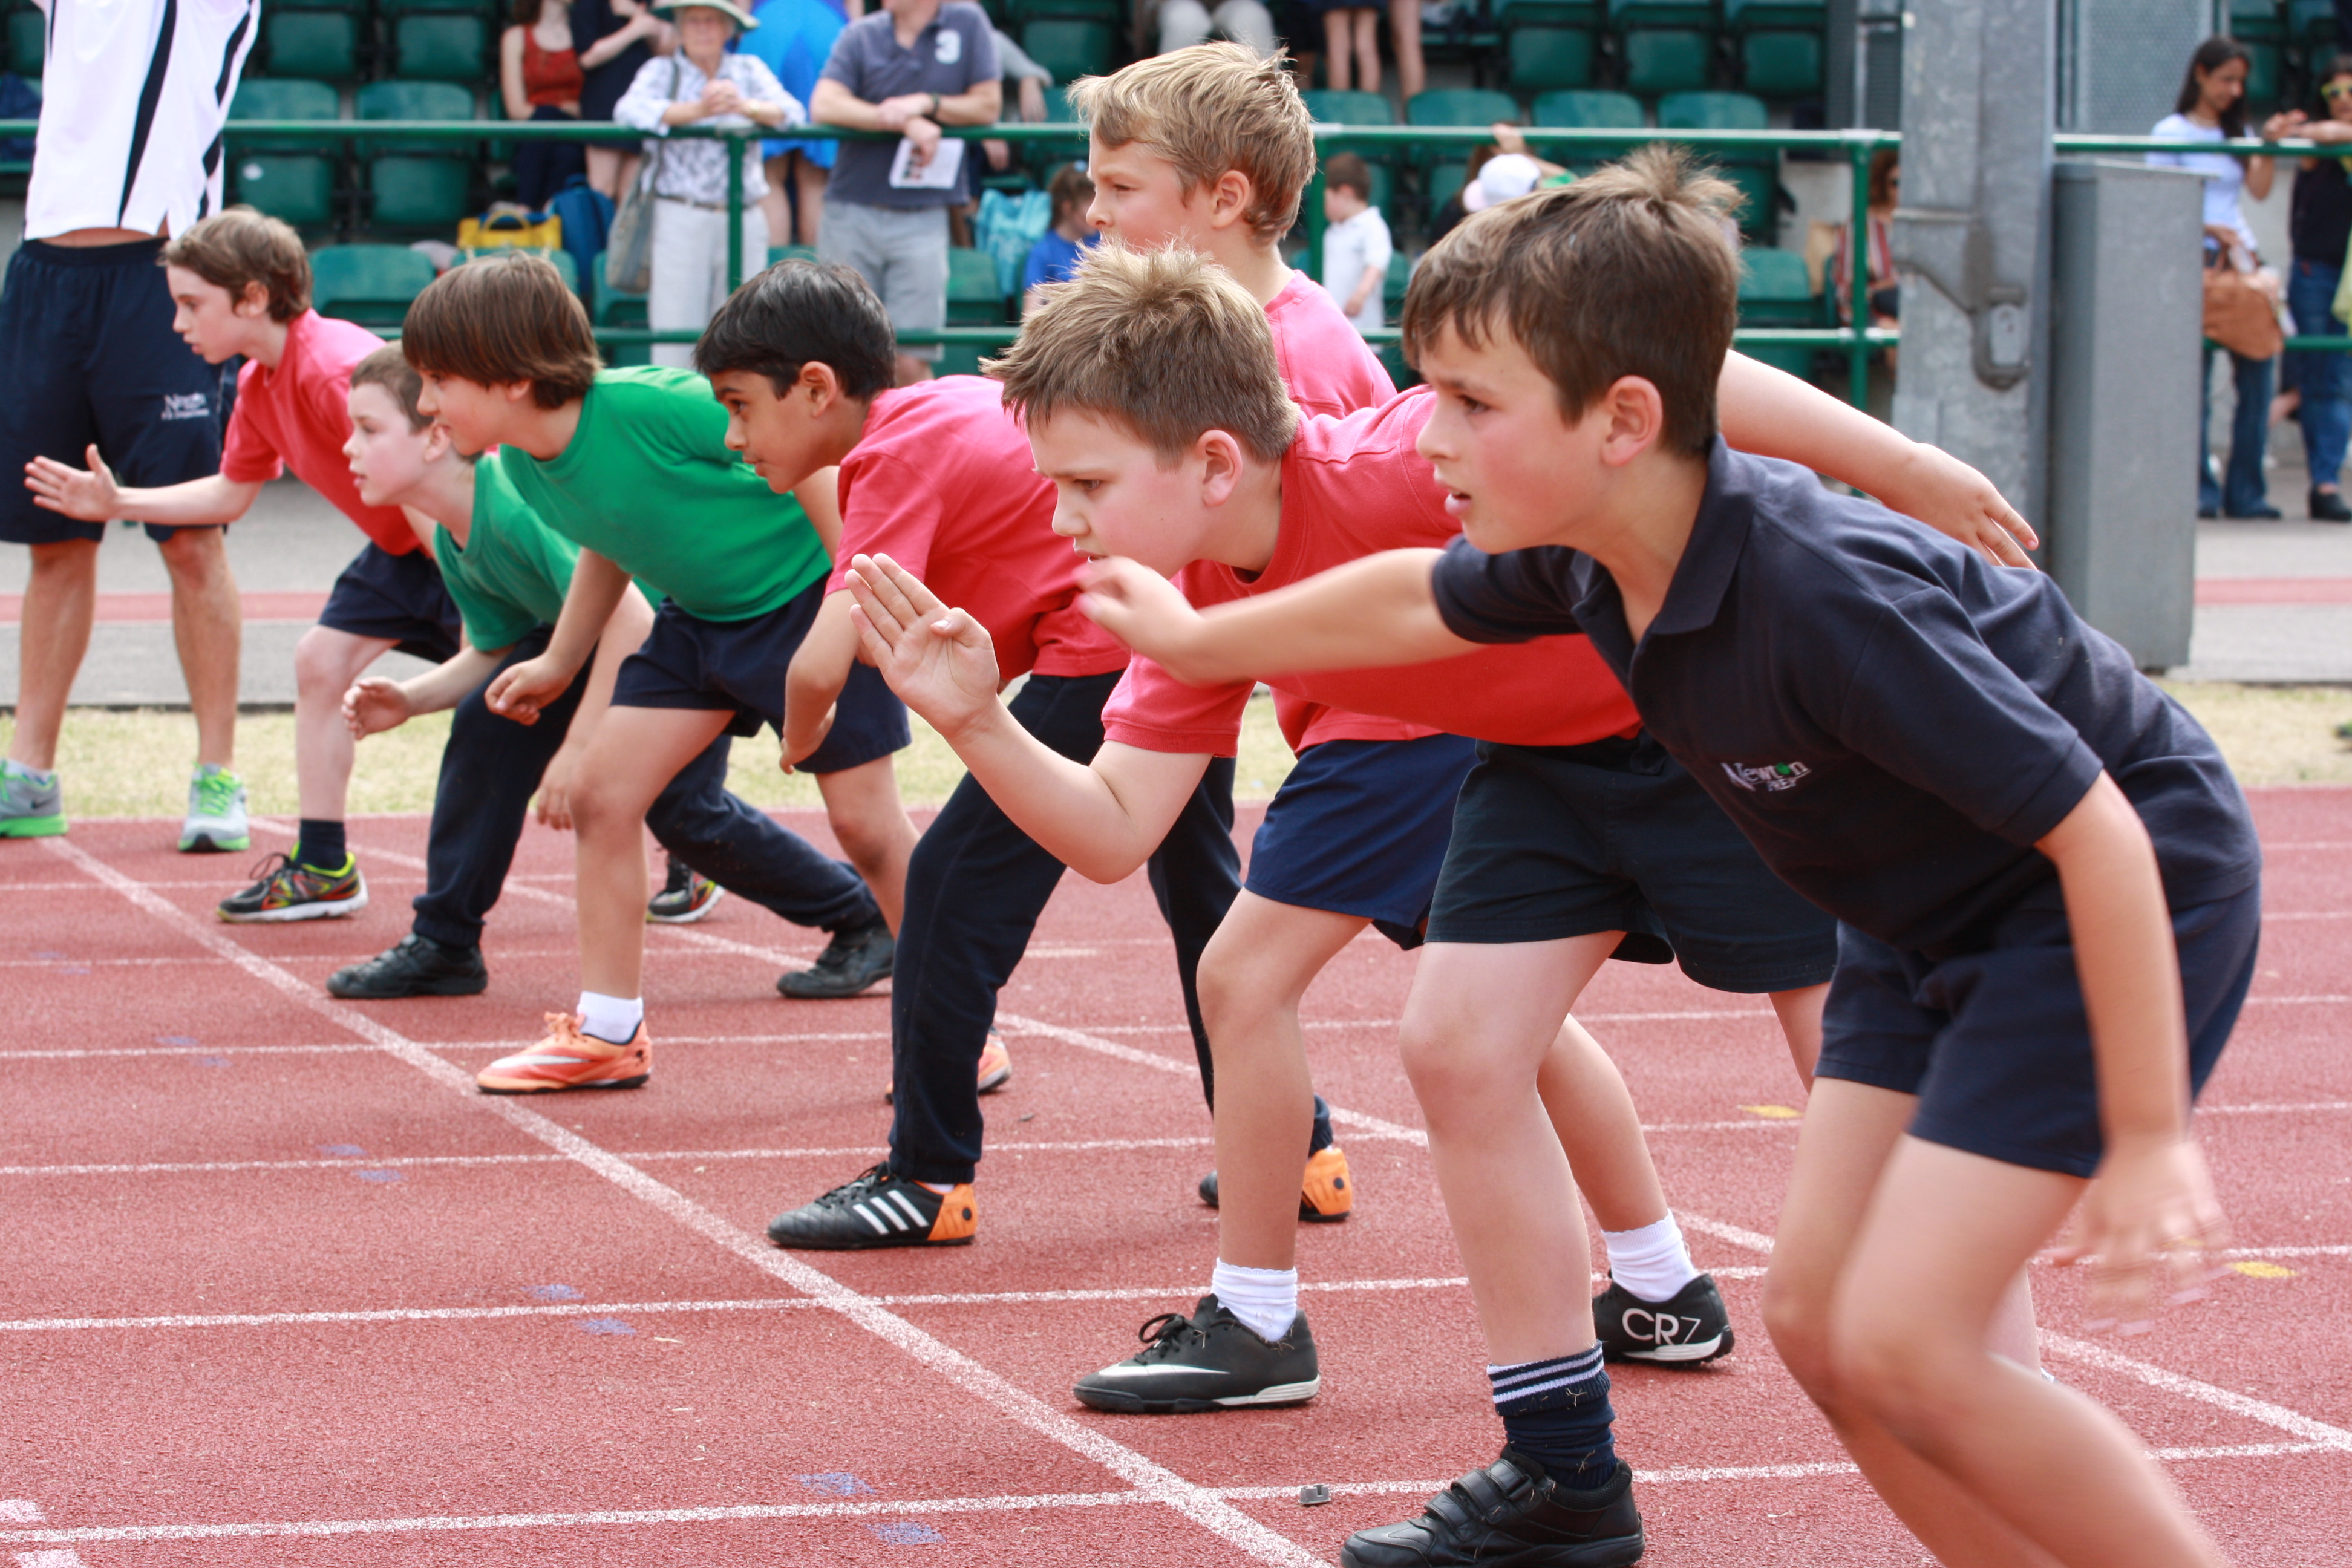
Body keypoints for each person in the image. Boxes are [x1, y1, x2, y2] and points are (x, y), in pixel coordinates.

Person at [1076, 152, 2261, 1568]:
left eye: (1470, 404)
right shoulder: (1573, 551)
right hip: (1910, 919)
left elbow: (2100, 830)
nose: (1427, 437)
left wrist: (2144, 1136)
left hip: (2079, 898)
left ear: (1622, 423)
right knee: (1821, 1327)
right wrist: (1203, 640)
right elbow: (1408, 599)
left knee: (1910, 1338)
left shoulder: (1821, 593)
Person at [667, 260, 1239, 1249]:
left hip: (1102, 650)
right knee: (1207, 904)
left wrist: (801, 743)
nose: (731, 436)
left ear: (815, 387)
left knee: (945, 886)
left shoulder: (883, 453)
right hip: (1164, 622)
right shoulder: (950, 399)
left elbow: (822, 653)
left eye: (739, 407)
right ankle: (1297, 1147)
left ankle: (926, 1174)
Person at [399, 255, 910, 1089]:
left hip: (801, 602)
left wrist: (845, 601)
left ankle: (959, 1019)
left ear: (512, 379)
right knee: (605, 794)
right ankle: (608, 1032)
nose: (425, 403)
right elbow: (610, 531)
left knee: (865, 827)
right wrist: (561, 661)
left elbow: (815, 457)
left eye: (438, 380)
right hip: (697, 621)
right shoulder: (525, 463)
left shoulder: (643, 405)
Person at [328, 345, 877, 998]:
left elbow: (629, 616)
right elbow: (494, 647)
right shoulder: (454, 535)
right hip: (597, 645)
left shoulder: (517, 497)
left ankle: (864, 914)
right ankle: (446, 941)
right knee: (490, 720)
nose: (348, 449)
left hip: (683, 621)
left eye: (368, 429)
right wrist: (413, 699)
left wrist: (579, 744)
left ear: (437, 438)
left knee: (686, 811)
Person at [25, 209, 463, 922]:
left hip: (457, 546)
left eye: (192, 304)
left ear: (254, 297)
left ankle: (684, 828)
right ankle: (324, 866)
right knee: (320, 663)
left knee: (543, 703)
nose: (178, 325)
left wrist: (473, 584)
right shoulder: (261, 385)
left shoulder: (330, 370)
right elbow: (232, 491)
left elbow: (432, 470)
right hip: (401, 551)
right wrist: (117, 501)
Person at [1, 0, 254, 851]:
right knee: (55, 535)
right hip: (46, 272)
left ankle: (216, 772)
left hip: (161, 273)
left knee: (191, 539)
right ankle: (31, 772)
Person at [809, 0, 1002, 385]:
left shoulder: (967, 21)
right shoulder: (861, 33)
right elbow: (824, 104)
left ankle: (916, 446)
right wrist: (900, 121)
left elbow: (988, 105)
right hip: (852, 208)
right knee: (839, 355)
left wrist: (927, 104)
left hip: (923, 214)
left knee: (911, 359)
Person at [615, 0, 802, 368]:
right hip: (680, 213)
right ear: (680, 29)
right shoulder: (660, 70)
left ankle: (733, 422)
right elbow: (628, 111)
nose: (703, 29)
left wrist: (746, 107)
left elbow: (793, 113)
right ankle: (676, 423)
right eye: (695, 21)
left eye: (713, 21)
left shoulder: (749, 69)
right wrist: (698, 111)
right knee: (675, 332)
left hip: (743, 214)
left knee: (745, 333)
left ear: (728, 30)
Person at [2150, 36, 2290, 520]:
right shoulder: (2170, 131)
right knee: (2196, 384)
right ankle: (2201, 492)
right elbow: (2158, 201)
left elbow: (2260, 188)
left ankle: (2246, 492)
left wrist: (2267, 144)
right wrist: (2206, 226)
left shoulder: (2237, 130)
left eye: (2240, 82)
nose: (2233, 90)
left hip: (2242, 260)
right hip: (2198, 261)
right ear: (2201, 76)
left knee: (2257, 377)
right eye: (2226, 79)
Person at [2278, 57, 2352, 523]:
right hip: (2315, 269)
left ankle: (2325, 482)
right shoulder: (2316, 143)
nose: (2345, 101)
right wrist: (2287, 131)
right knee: (2318, 376)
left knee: (2335, 380)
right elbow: (2304, 140)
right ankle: (2323, 483)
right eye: (2335, 93)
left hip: (2347, 276)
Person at [742, 0, 852, 249]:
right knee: (815, 176)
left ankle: (772, 284)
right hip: (829, 29)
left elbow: (741, 9)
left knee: (767, 174)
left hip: (767, 27)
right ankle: (819, 284)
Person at [574, 0, 672, 201]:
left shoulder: (647, 5)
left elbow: (666, 51)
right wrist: (634, 29)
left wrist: (639, 17)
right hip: (604, 105)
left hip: (644, 107)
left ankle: (624, 235)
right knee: (602, 191)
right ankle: (602, 234)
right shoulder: (589, 5)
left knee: (632, 197)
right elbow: (587, 58)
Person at [501, 0, 591, 210]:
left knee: (566, 148)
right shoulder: (516, 38)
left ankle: (525, 209)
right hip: (535, 135)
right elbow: (516, 110)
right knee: (563, 151)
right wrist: (560, 111)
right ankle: (544, 216)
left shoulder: (586, 34)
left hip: (578, 130)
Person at [1318, 151, 1390, 334]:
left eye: (1326, 198)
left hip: (1362, 329)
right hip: (1333, 328)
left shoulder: (1373, 226)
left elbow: (1376, 264)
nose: (1322, 205)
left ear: (1345, 193)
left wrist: (1360, 296)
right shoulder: (1332, 232)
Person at [1832, 146, 1899, 329]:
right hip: (1870, 309)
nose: (1903, 191)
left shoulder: (1926, 227)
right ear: (1882, 183)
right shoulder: (1860, 225)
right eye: (1897, 183)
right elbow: (1846, 289)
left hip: (1915, 307)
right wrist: (1882, 288)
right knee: (1895, 332)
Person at [1020, 162, 1097, 313]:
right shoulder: (1042, 253)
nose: (1096, 212)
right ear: (1067, 208)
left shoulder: (1107, 242)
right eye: (1090, 204)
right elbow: (1030, 315)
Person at [1151, 0, 1276, 59]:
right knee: (1186, 20)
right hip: (1174, 4)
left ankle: (1272, 98)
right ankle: (1161, 100)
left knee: (1252, 16)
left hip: (1230, 4)